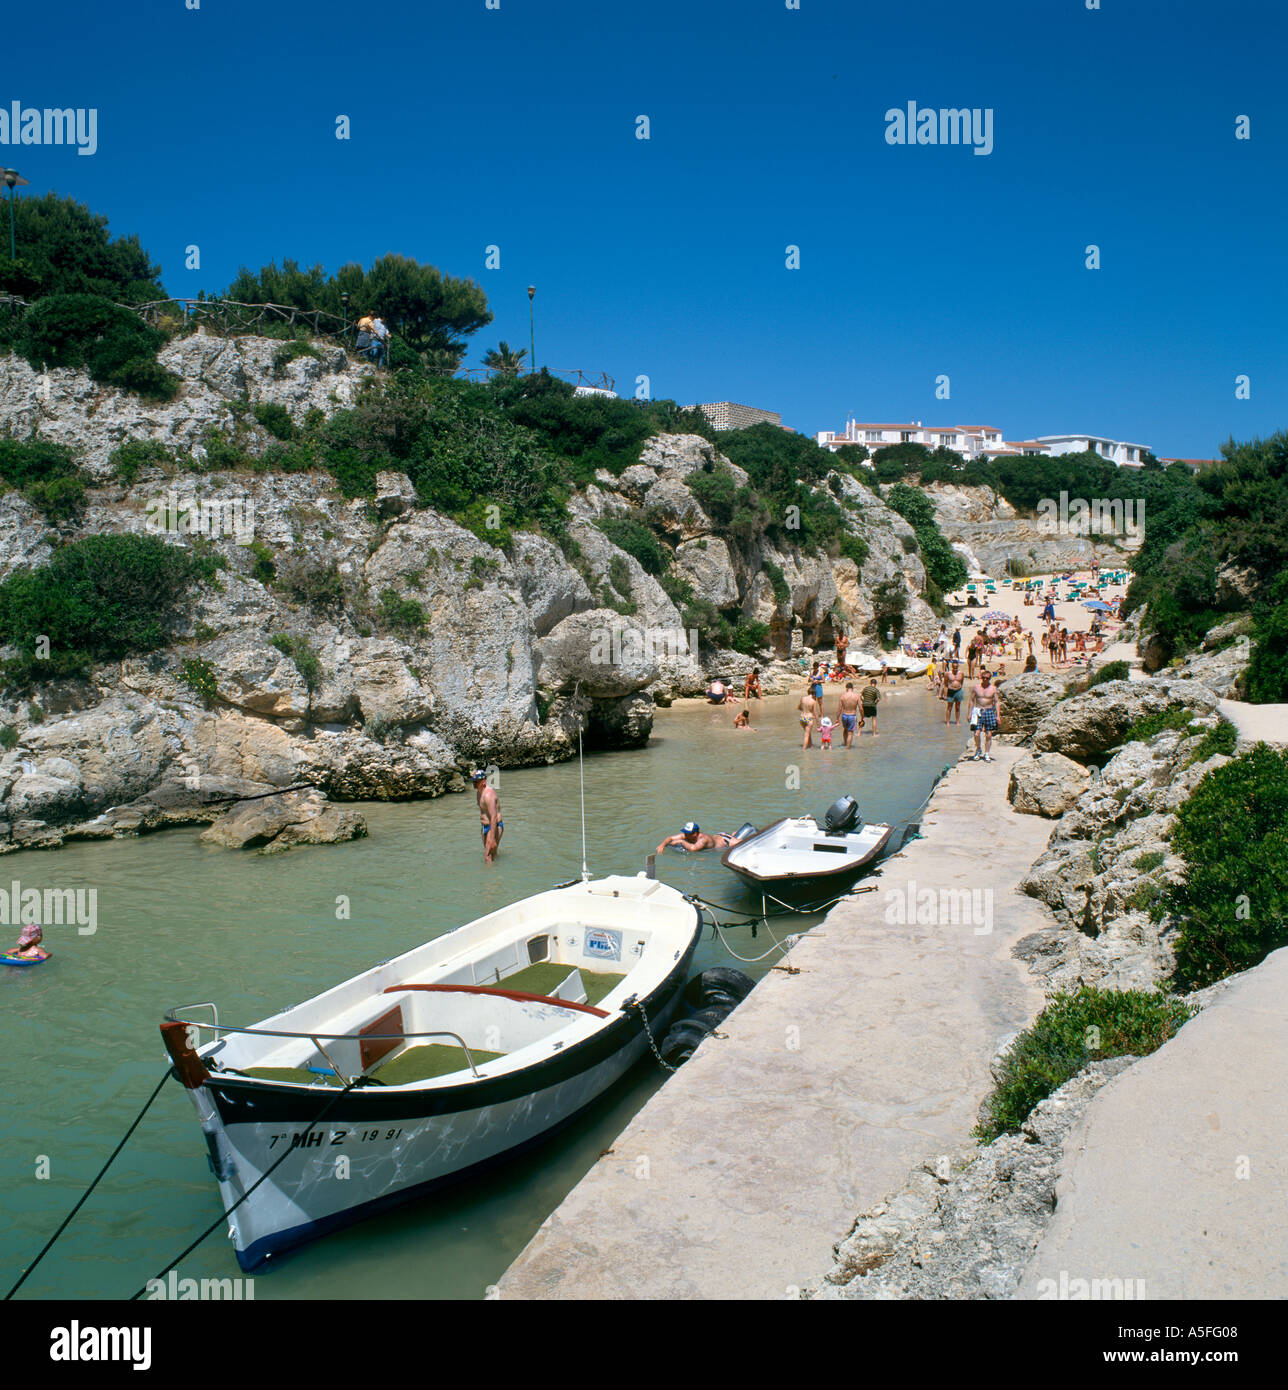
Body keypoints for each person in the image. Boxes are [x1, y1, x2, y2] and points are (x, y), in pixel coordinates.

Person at [969, 669, 1002, 762]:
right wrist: (969, 713)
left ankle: (987, 753)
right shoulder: (976, 688)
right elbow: (971, 700)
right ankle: (978, 749)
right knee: (976, 733)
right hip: (978, 711)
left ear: (989, 679)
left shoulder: (993, 689)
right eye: (983, 678)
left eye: (987, 678)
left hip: (989, 711)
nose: (984, 680)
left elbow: (996, 702)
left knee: (988, 734)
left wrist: (998, 716)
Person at [471, 770, 503, 863]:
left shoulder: (488, 794)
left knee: (487, 856)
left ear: (483, 781)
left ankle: (490, 875)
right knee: (492, 854)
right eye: (473, 781)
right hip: (485, 827)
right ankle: (497, 872)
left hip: (494, 826)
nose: (474, 783)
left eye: (476, 781)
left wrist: (492, 838)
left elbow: (493, 817)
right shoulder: (479, 792)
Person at [656, 822, 745, 854]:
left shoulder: (703, 839)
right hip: (718, 835)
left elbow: (693, 849)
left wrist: (681, 841)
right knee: (733, 836)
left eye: (687, 833)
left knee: (743, 843)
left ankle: (737, 835)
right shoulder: (686, 835)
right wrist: (662, 845)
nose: (684, 835)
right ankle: (734, 833)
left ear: (695, 834)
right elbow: (670, 838)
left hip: (725, 841)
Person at [836, 682, 862, 748]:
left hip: (844, 715)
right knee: (850, 732)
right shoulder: (857, 696)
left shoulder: (842, 696)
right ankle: (848, 748)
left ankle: (845, 743)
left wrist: (837, 718)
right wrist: (862, 716)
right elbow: (861, 708)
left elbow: (839, 709)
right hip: (852, 716)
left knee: (845, 730)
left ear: (846, 688)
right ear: (852, 688)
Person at [941, 659, 965, 725]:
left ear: (958, 667)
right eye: (954, 667)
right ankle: (948, 722)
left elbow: (961, 682)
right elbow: (945, 684)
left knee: (957, 707)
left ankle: (957, 721)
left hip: (958, 691)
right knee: (949, 707)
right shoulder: (947, 673)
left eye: (956, 667)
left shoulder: (961, 673)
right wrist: (945, 695)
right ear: (952, 667)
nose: (955, 668)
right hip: (950, 691)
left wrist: (959, 688)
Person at [798, 683, 820, 749]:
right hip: (809, 718)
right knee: (806, 735)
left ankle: (810, 745)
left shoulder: (802, 698)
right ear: (814, 694)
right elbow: (815, 712)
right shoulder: (813, 701)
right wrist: (818, 722)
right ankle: (804, 750)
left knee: (808, 732)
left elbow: (800, 707)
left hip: (802, 718)